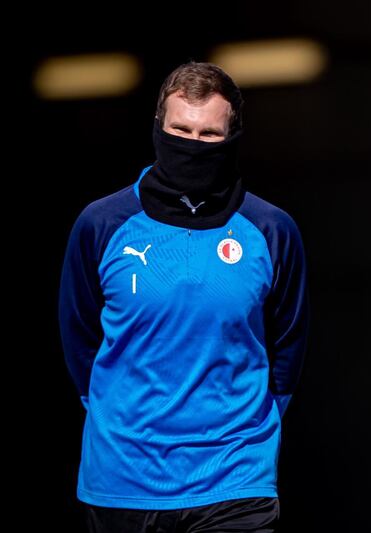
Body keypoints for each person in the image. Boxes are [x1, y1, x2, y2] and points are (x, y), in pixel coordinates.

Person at [58, 62, 309, 532]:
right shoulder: (101, 224)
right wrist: (120, 414)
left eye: (209, 135)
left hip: (235, 478)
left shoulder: (271, 230)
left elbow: (289, 342)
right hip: (122, 478)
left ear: (233, 137)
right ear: (159, 127)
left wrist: (249, 425)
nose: (192, 145)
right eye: (180, 130)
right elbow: (78, 334)